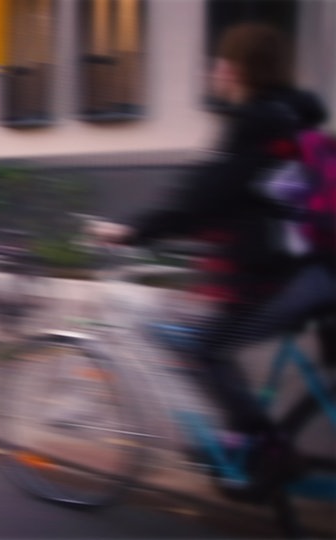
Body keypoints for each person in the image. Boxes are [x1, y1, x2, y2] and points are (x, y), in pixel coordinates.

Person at [96, 23, 333, 494]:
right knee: (210, 332)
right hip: (314, 270)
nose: (213, 69)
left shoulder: (257, 124)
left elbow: (204, 198)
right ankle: (242, 444)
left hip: (284, 278)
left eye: (220, 60)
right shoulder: (293, 118)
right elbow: (251, 202)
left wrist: (132, 231)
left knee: (203, 349)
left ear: (239, 70)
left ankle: (268, 449)